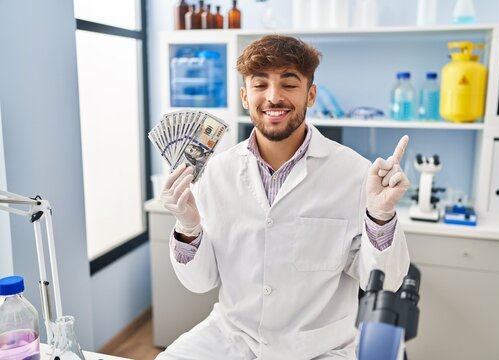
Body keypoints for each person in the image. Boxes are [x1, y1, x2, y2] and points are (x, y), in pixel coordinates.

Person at [157, 34, 410, 360]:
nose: (273, 97)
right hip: (234, 336)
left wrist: (380, 216)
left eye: (289, 84)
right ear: (245, 97)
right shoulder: (214, 173)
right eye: (260, 85)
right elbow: (200, 282)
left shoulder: (355, 175)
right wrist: (188, 228)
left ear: (311, 94)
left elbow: (386, 282)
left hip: (320, 347)